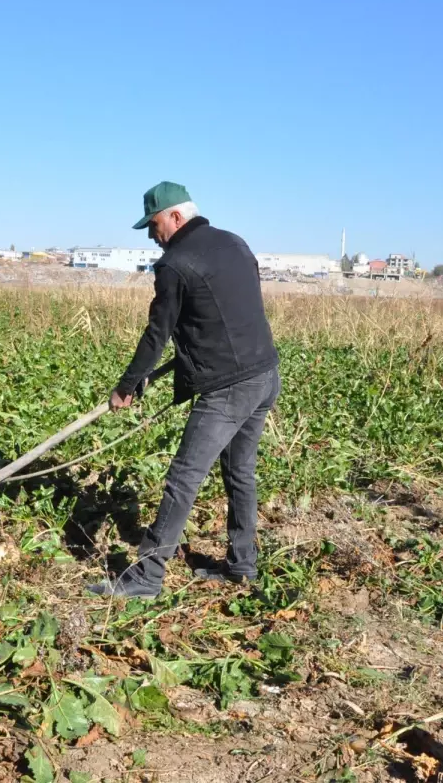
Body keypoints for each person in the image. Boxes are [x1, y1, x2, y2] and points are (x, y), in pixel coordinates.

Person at [87, 181, 280, 598]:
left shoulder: (175, 264)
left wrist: (127, 385)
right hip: (265, 373)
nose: (152, 236)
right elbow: (228, 309)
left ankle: (145, 577)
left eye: (154, 225)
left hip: (230, 387)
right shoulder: (234, 243)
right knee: (240, 471)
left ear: (175, 216)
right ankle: (242, 565)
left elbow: (157, 333)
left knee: (183, 478)